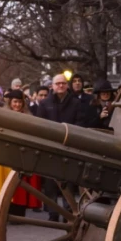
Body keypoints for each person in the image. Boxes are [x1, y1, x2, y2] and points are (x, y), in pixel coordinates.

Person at [36, 74, 92, 220]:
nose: (60, 86)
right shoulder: (44, 104)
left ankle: (69, 211)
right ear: (52, 86)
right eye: (57, 83)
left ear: (67, 85)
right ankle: (52, 212)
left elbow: (80, 123)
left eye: (63, 83)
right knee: (50, 183)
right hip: (50, 147)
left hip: (69, 146)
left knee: (69, 181)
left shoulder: (76, 103)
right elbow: (40, 125)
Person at [0, 90, 43, 216]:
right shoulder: (3, 115)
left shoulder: (29, 117)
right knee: (5, 181)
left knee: (20, 183)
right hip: (6, 153)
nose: (17, 105)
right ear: (10, 102)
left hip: (21, 153)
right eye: (15, 102)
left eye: (20, 102)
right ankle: (5, 209)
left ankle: (19, 210)